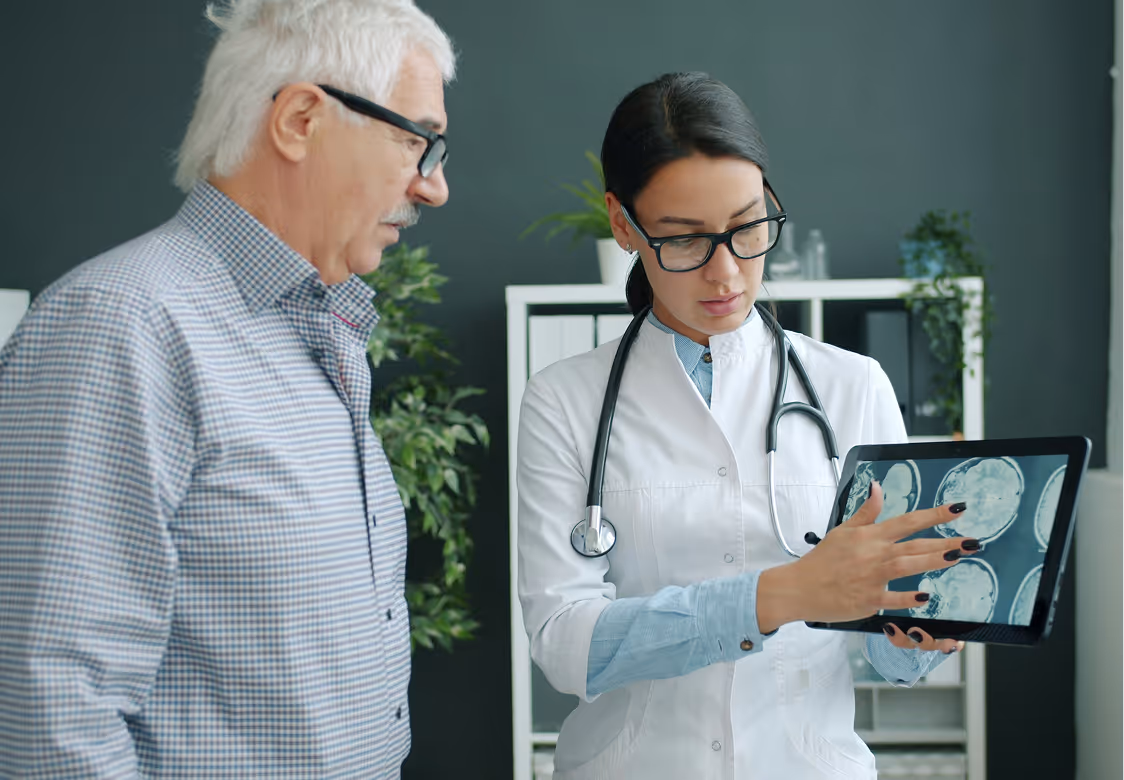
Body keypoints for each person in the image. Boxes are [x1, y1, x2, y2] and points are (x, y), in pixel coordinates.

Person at [0, 1, 453, 776]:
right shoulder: (121, 326)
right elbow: (51, 716)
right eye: (418, 141)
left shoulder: (315, 330)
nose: (433, 186)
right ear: (301, 120)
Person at [516, 72, 977, 780]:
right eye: (684, 240)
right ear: (623, 224)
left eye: (749, 227)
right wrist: (781, 594)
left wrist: (922, 633)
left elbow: (887, 655)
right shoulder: (562, 402)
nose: (726, 272)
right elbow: (564, 644)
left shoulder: (853, 387)